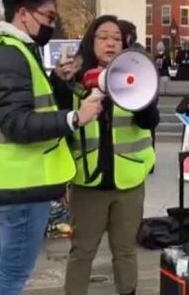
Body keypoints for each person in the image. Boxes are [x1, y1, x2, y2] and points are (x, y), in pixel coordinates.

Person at [0, 0, 101, 294]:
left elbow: (28, 105)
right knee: (13, 275)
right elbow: (17, 123)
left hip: (13, 181)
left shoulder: (10, 52)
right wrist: (76, 117)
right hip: (21, 184)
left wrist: (56, 80)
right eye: (49, 16)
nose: (51, 24)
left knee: (2, 267)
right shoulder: (9, 55)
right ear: (24, 14)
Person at [62, 16, 158, 295]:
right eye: (103, 37)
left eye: (116, 38)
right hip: (88, 183)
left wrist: (139, 92)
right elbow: (62, 130)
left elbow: (148, 123)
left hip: (128, 182)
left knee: (125, 250)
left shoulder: (136, 75)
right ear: (91, 41)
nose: (111, 42)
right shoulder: (75, 80)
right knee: (82, 251)